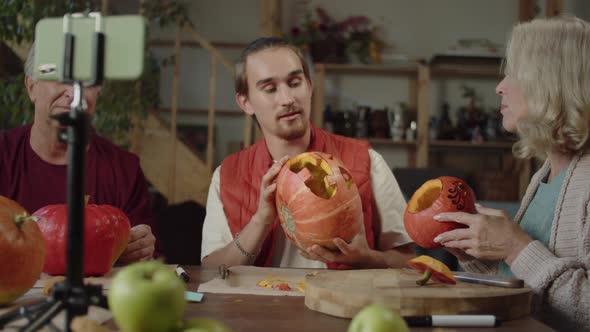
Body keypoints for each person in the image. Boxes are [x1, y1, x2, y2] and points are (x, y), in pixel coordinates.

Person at [432, 17, 590, 330]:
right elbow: (527, 286)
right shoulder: (544, 174)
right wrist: (477, 254)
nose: (500, 86)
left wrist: (515, 246)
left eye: (514, 72)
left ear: (551, 83)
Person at [201, 37, 414, 269]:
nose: (288, 99)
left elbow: (409, 262)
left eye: (294, 83)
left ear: (309, 87)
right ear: (246, 103)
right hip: (259, 305)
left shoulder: (368, 162)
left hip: (341, 305)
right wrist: (261, 220)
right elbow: (210, 271)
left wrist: (368, 258)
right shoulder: (226, 176)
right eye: (270, 89)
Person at [0, 43, 156, 263]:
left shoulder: (124, 169)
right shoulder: (3, 155)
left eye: (86, 83)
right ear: (31, 86)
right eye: (61, 77)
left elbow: (147, 264)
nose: (73, 94)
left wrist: (141, 248)